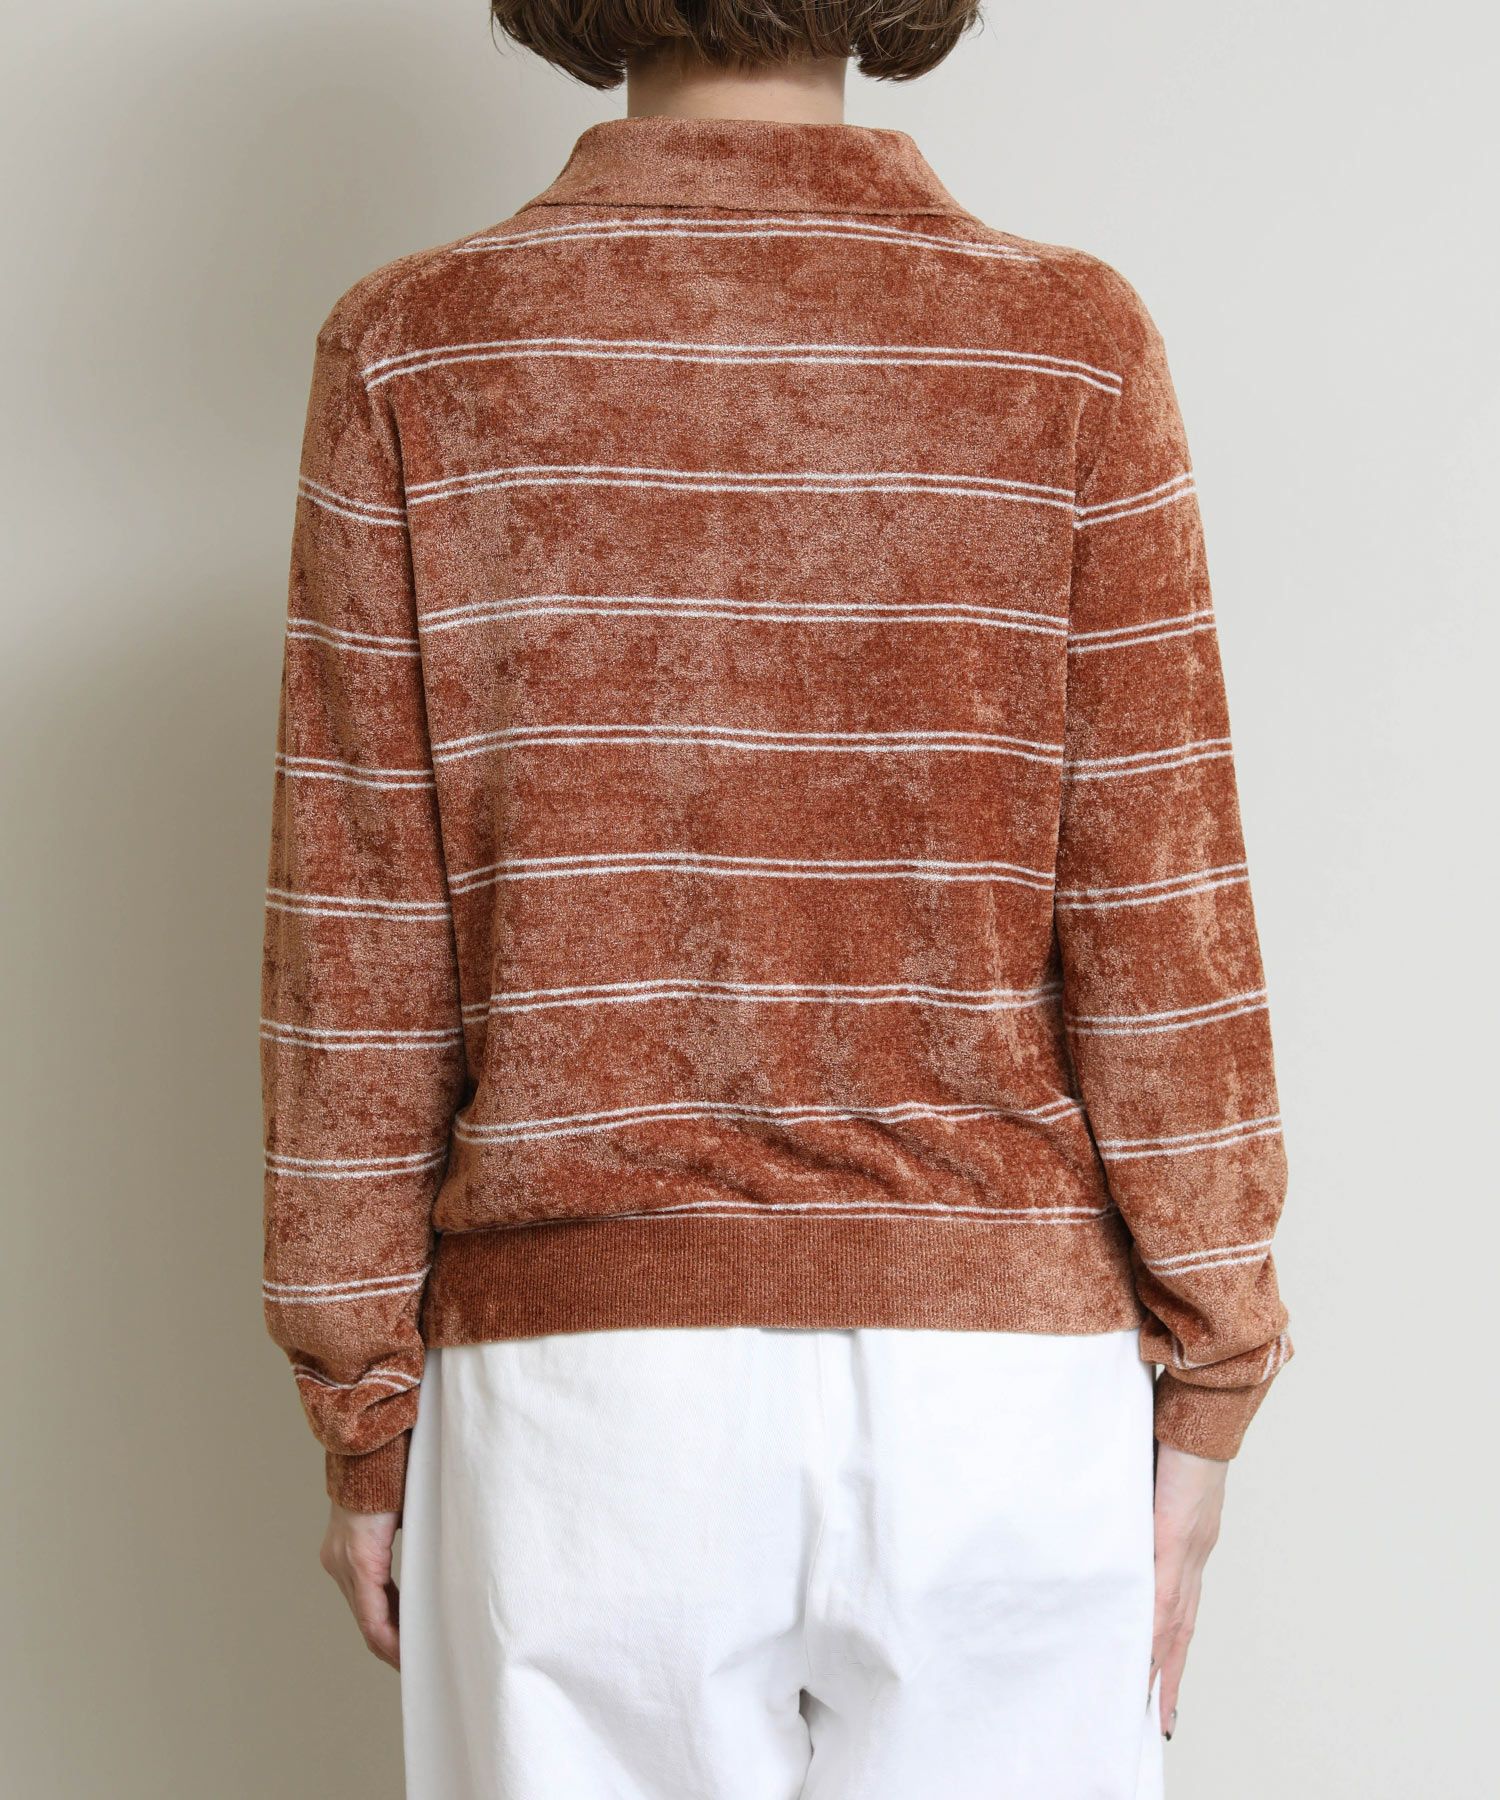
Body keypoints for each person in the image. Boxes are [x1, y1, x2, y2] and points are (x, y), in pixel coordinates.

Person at [260, 4, 1293, 1793]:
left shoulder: (412, 353)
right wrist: (1212, 1378)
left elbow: (356, 955)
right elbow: (1162, 909)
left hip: (586, 1405)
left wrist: (362, 1411)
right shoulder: (1070, 345)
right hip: (995, 1395)